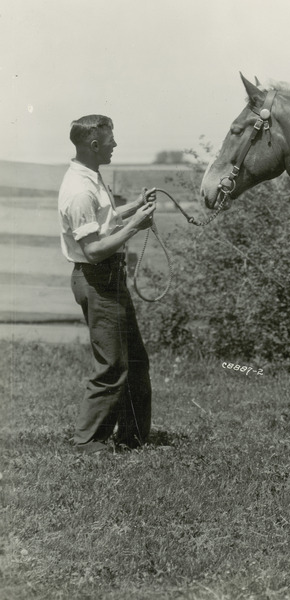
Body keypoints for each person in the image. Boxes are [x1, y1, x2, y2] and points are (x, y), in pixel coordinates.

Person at [58, 114, 157, 453]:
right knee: (112, 364)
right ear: (94, 144)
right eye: (111, 139)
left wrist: (134, 209)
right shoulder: (79, 190)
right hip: (97, 279)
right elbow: (94, 250)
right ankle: (88, 442)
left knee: (136, 361)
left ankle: (133, 438)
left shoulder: (91, 177)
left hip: (109, 279)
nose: (115, 144)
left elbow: (105, 222)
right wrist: (136, 227)